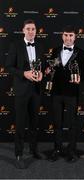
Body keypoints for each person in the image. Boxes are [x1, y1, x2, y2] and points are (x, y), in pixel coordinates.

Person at [5, 19, 45, 169]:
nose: (30, 31)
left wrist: (41, 74)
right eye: (28, 29)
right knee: (21, 124)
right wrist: (24, 73)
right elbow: (8, 66)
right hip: (22, 90)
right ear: (23, 30)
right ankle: (18, 154)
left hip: (36, 90)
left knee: (34, 123)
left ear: (36, 31)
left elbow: (42, 66)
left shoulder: (40, 46)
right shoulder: (16, 45)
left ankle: (33, 149)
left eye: (33, 29)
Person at [46, 25, 84, 163]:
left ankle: (71, 151)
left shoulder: (81, 53)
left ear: (75, 37)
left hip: (72, 94)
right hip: (56, 93)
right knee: (57, 123)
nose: (68, 38)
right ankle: (57, 149)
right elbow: (52, 69)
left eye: (71, 35)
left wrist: (81, 79)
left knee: (72, 124)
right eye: (66, 35)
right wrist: (48, 71)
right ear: (62, 36)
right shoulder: (55, 51)